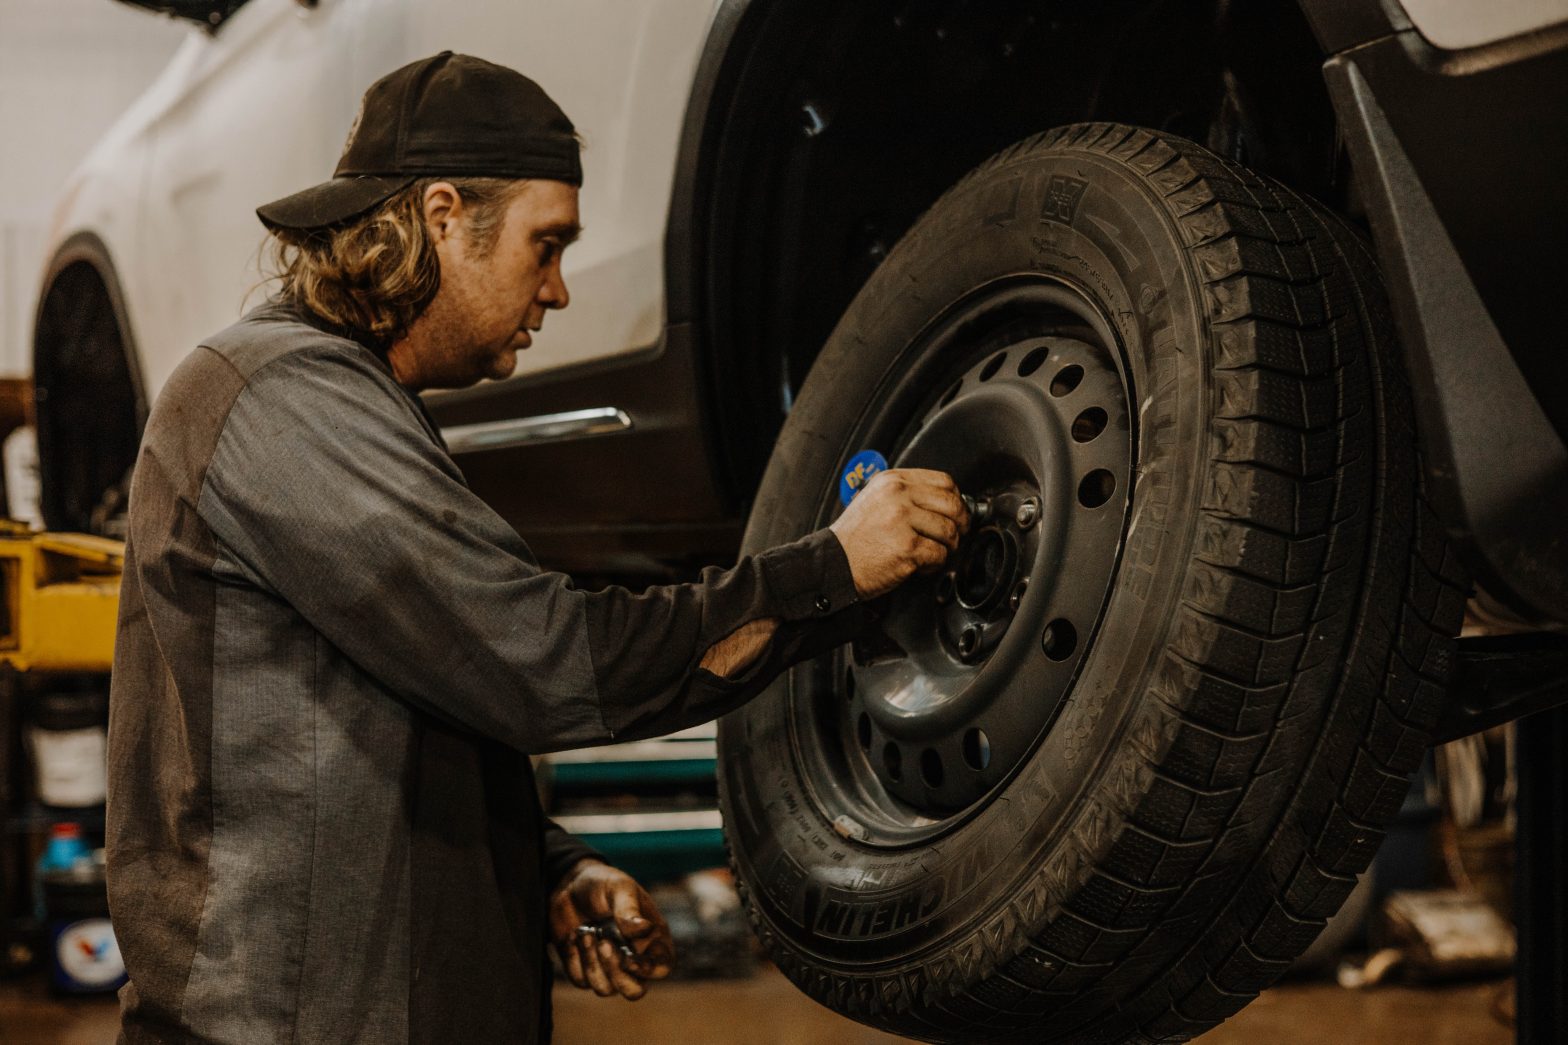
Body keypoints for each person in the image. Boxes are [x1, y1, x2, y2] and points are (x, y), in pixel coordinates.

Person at [105, 52, 968, 1043]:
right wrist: (829, 570)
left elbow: (405, 701)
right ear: (439, 217)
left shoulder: (348, 405)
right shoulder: (280, 397)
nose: (556, 289)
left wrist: (545, 867)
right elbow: (544, 661)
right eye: (544, 243)